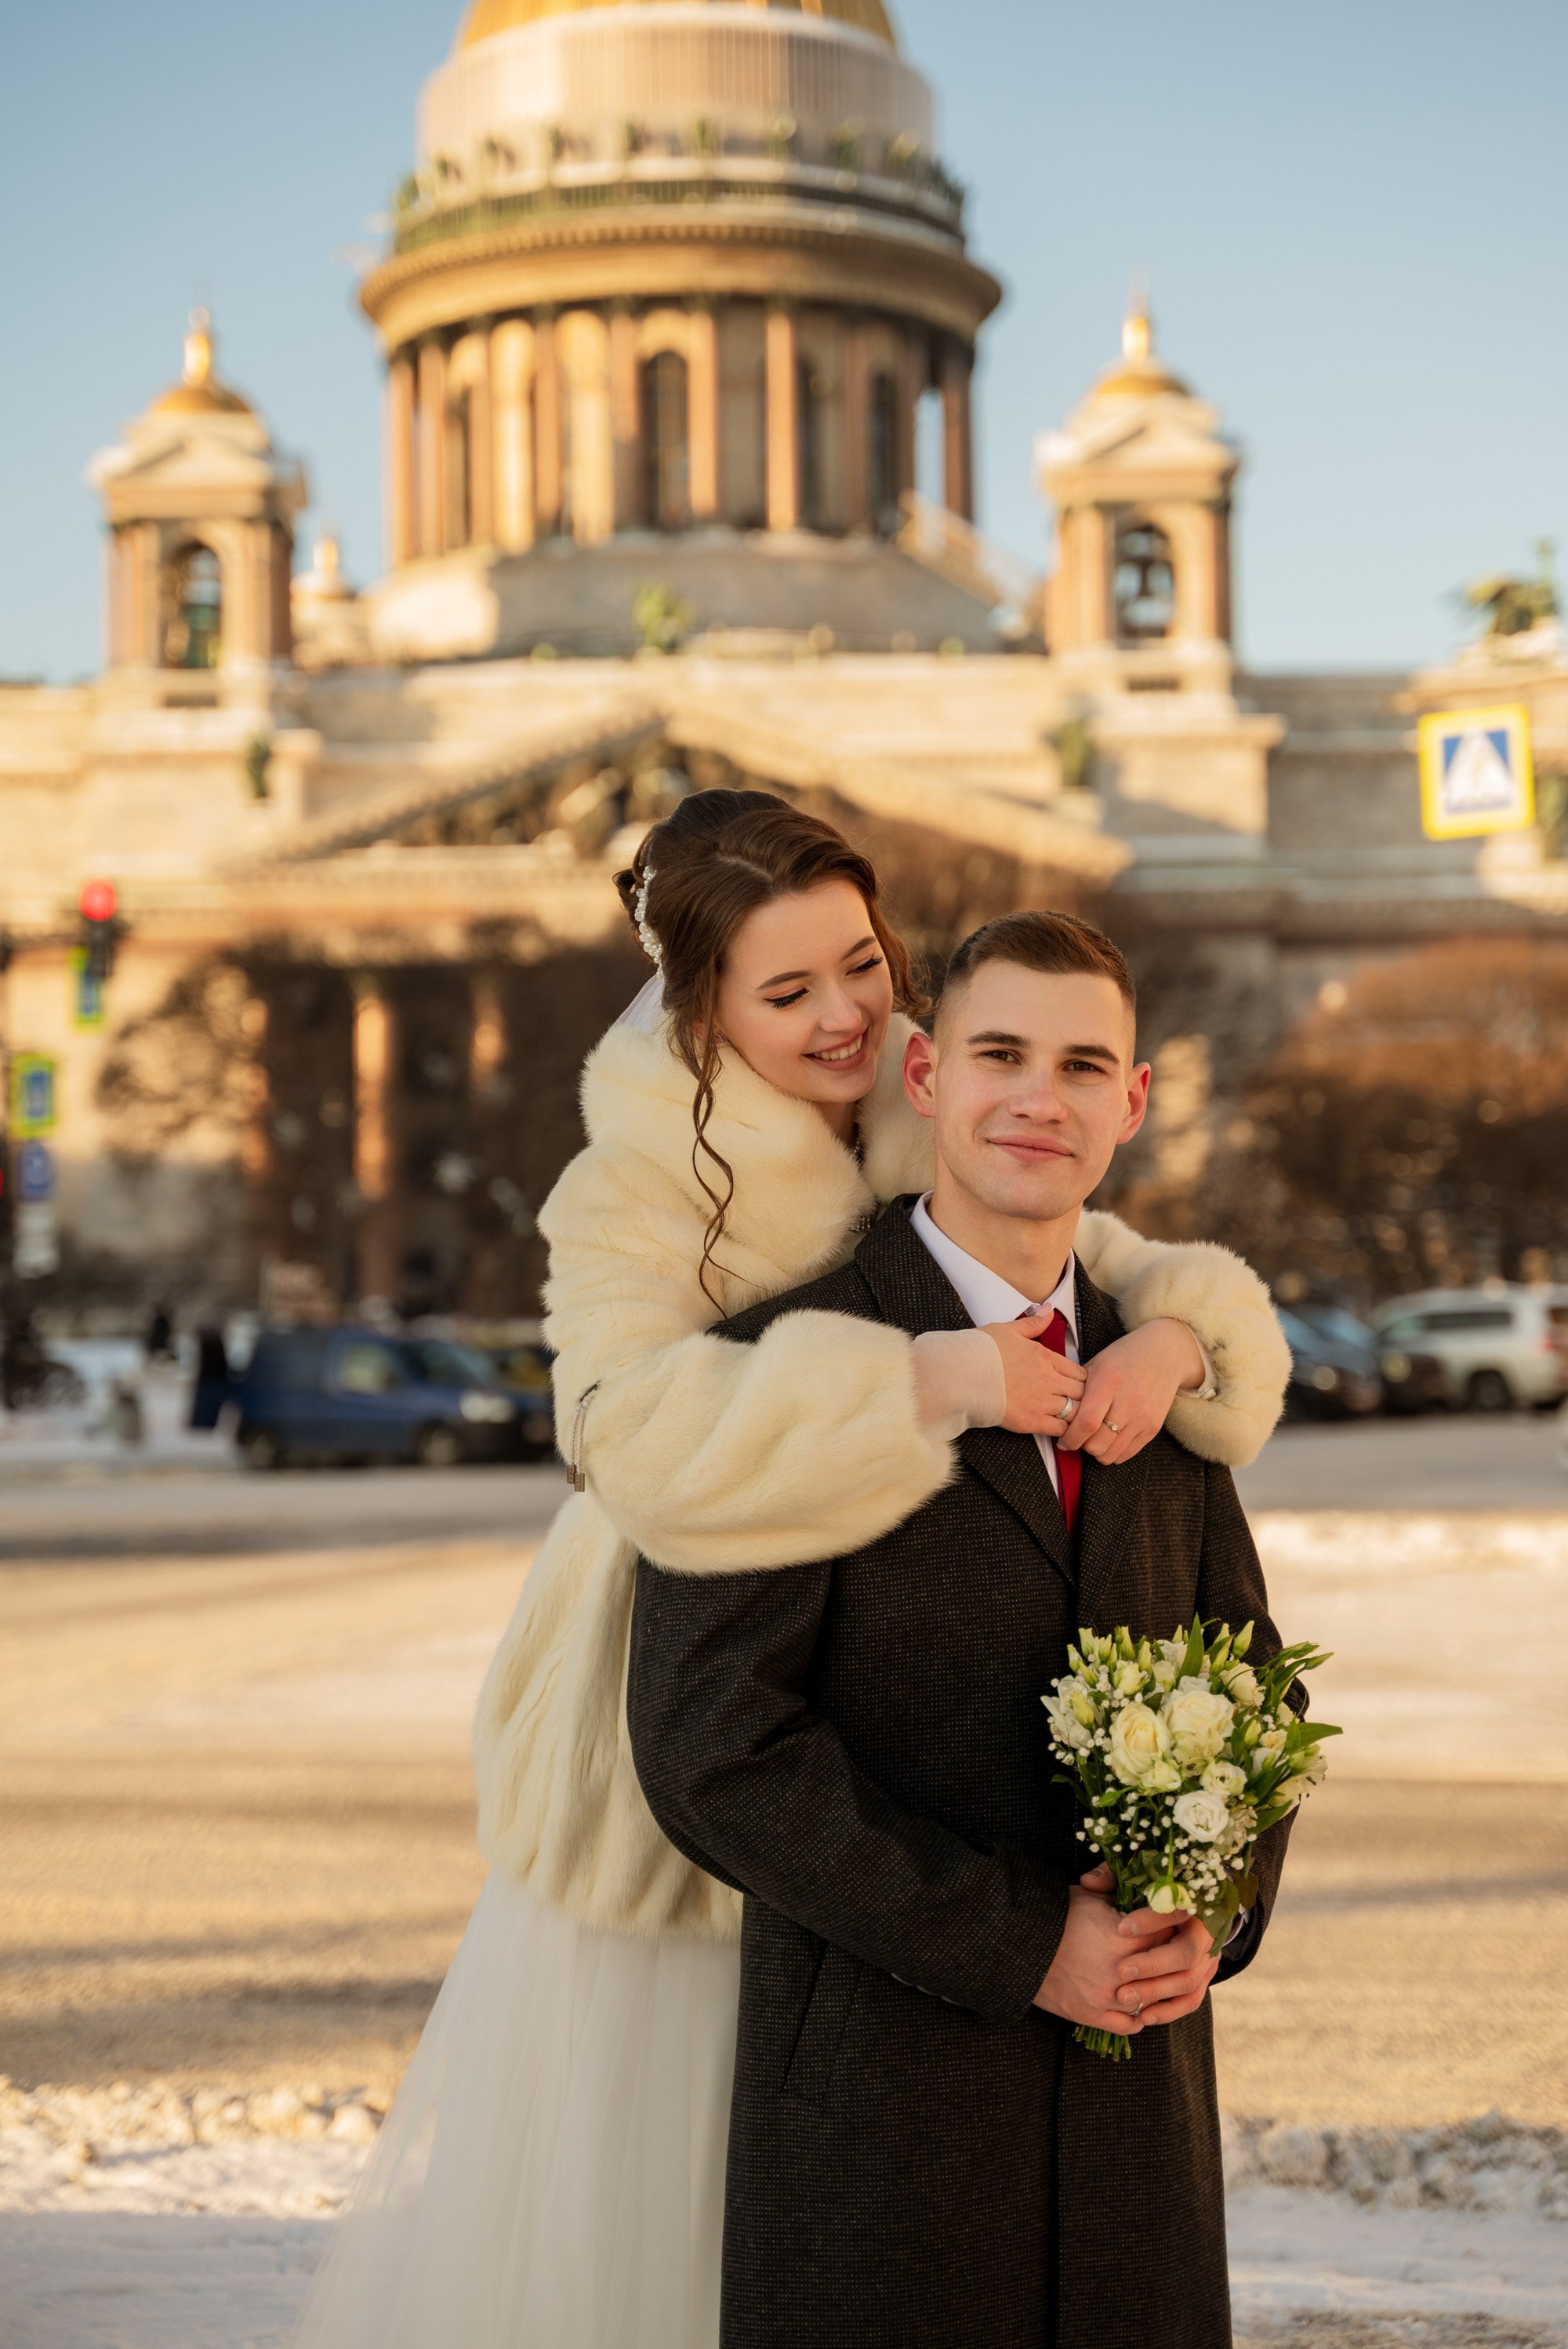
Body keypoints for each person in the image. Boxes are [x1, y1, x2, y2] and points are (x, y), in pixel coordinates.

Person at [294, 797, 1290, 2349]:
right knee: (691, 2202)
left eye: (861, 965)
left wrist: (1182, 1339)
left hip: (916, 1781)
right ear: (702, 1014)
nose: (840, 1015)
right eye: (785, 992)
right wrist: (938, 1380)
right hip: (692, 1678)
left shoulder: (937, 1079)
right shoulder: (636, 1185)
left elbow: (1083, 1239)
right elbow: (632, 1438)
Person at [627, 906, 1299, 2349]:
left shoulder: (1165, 1368)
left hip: (1137, 2140)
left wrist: (1213, 1908)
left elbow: (1254, 1689)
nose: (1037, 1100)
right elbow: (710, 1745)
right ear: (926, 1075)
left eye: (1080, 1066)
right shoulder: (774, 1368)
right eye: (1000, 1053)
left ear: (1130, 1103)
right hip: (879, 2131)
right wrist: (1019, 1944)